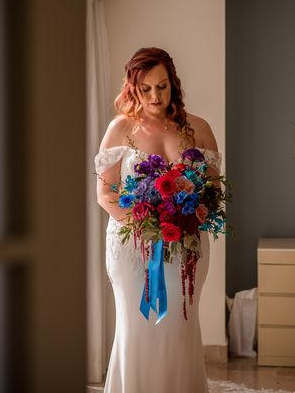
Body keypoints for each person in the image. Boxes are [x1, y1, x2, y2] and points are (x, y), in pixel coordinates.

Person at [94, 47, 222, 393]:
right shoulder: (120, 129)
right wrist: (145, 226)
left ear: (173, 84)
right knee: (136, 327)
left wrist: (190, 214)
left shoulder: (199, 129)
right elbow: (105, 194)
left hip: (186, 246)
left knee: (180, 325)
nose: (155, 96)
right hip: (132, 248)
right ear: (132, 87)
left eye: (162, 87)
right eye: (146, 88)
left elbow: (211, 190)